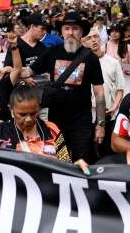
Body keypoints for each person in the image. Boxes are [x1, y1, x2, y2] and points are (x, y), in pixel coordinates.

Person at [26, 11, 105, 163]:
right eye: (67, 28)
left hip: (81, 122)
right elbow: (27, 72)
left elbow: (99, 92)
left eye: (75, 28)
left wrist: (100, 124)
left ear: (81, 32)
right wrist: (12, 63)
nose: (71, 32)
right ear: (61, 31)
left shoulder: (91, 58)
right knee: (57, 163)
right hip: (55, 122)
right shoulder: (51, 53)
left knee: (82, 164)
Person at [0, 85, 77, 164]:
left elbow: (65, 162)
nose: (28, 119)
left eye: (33, 113)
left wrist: (76, 168)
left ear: (39, 109)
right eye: (22, 115)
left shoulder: (51, 129)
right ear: (11, 110)